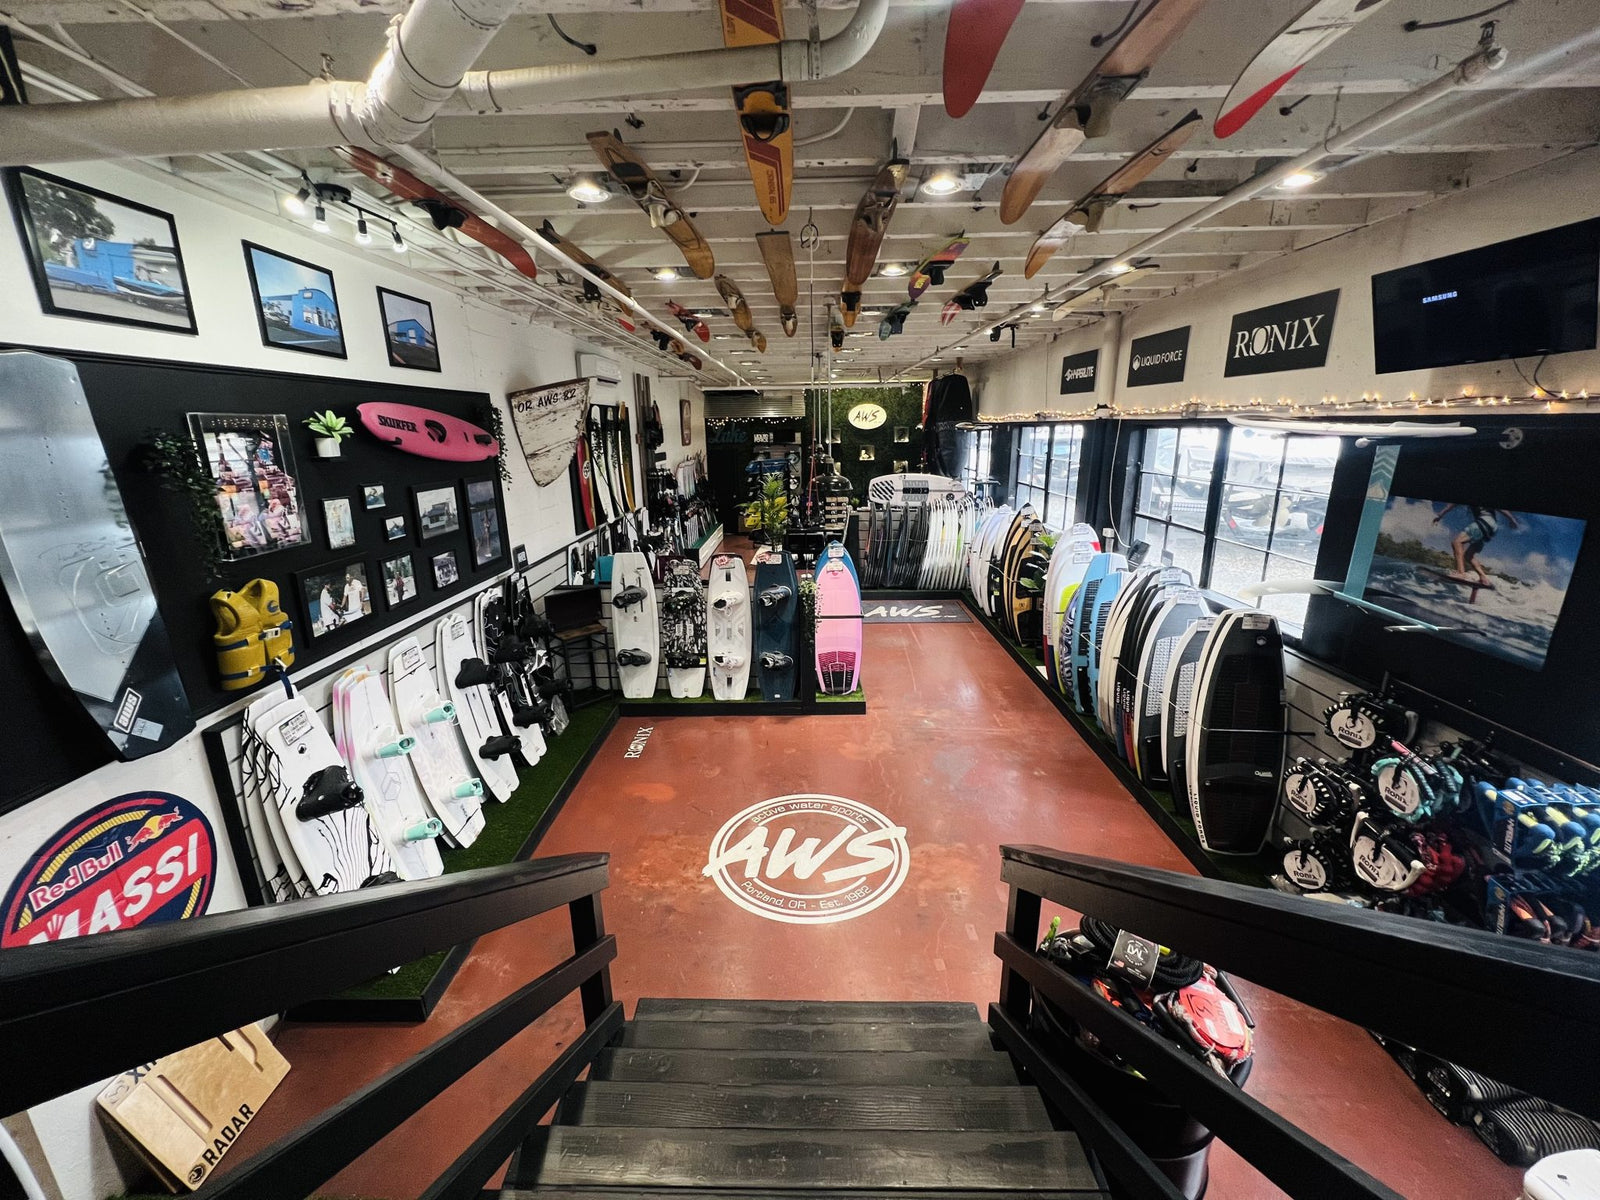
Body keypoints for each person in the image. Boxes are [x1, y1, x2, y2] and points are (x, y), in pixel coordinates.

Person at [1434, 503, 1519, 585]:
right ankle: (1483, 577)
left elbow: (1450, 506)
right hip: (1491, 528)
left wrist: (1439, 515)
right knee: (1468, 556)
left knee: (1457, 542)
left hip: (1484, 521)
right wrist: (1512, 519)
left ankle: (1460, 573)